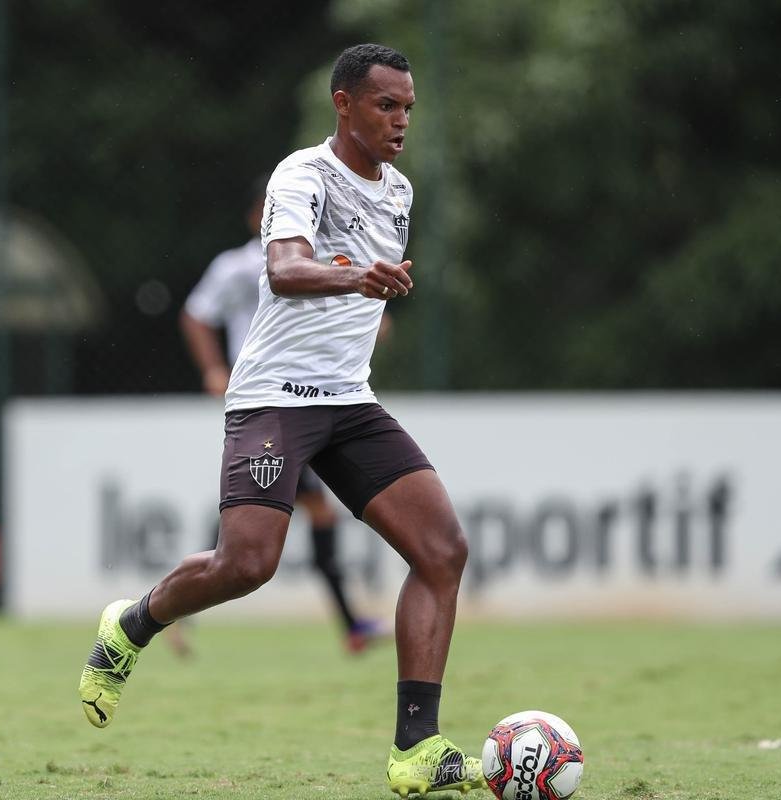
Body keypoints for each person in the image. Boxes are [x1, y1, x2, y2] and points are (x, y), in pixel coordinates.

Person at [79, 43, 484, 797]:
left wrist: (373, 289)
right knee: (249, 565)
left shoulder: (398, 192)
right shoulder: (302, 175)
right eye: (386, 106)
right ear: (344, 103)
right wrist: (355, 276)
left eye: (408, 109)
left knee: (442, 551)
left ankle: (417, 749)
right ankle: (131, 626)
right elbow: (284, 269)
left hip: (349, 401)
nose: (400, 121)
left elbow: (357, 293)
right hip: (274, 400)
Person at [179, 177, 387, 654]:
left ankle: (350, 625)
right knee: (262, 524)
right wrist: (213, 367)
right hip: (269, 402)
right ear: (258, 215)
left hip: (311, 400)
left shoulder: (314, 260)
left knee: (269, 515)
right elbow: (195, 313)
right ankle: (172, 611)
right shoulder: (238, 266)